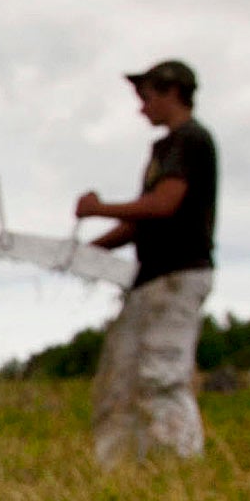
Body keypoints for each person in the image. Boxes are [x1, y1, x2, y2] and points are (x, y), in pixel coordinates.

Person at [75, 59, 218, 466]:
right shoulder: (167, 147)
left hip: (178, 273)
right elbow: (142, 221)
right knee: (123, 377)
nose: (142, 109)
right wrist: (88, 252)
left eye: (148, 97)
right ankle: (128, 466)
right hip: (152, 277)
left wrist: (99, 209)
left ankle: (182, 463)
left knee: (162, 375)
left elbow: (163, 205)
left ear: (173, 92)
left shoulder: (190, 140)